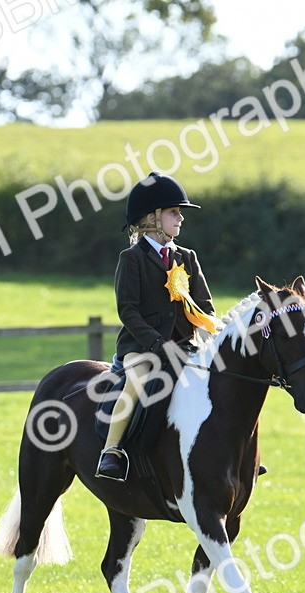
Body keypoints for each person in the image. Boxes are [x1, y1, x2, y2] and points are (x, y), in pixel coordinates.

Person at [96, 172, 218, 481]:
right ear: (152, 218)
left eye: (179, 213)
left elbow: (204, 304)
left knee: (220, 380)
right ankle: (112, 450)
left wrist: (210, 330)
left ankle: (228, 449)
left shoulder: (187, 258)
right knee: (136, 378)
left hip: (186, 346)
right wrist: (155, 344)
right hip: (142, 348)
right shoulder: (132, 259)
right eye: (173, 212)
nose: (180, 219)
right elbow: (128, 310)